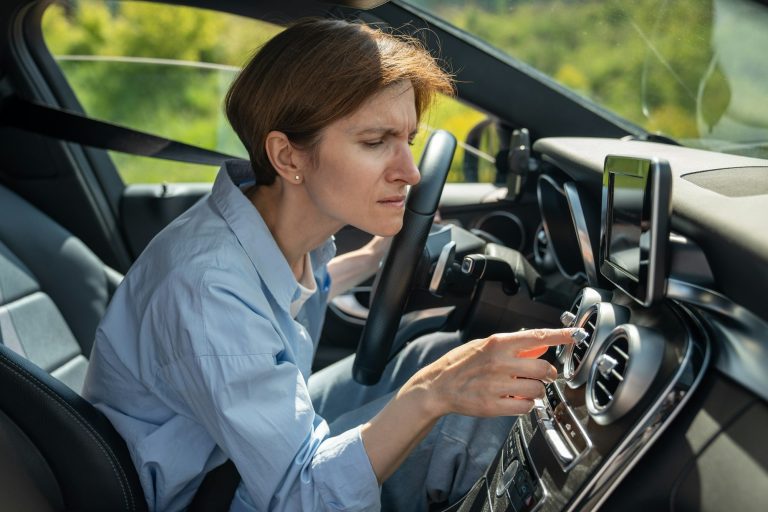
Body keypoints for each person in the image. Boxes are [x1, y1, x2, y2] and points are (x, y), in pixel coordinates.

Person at [83, 18, 574, 512]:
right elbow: (303, 495)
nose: (410, 172)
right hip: (213, 490)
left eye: (408, 139)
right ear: (287, 156)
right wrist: (433, 393)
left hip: (235, 448)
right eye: (375, 141)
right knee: (463, 407)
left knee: (431, 352)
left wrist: (375, 260)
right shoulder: (207, 288)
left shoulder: (264, 231)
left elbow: (274, 306)